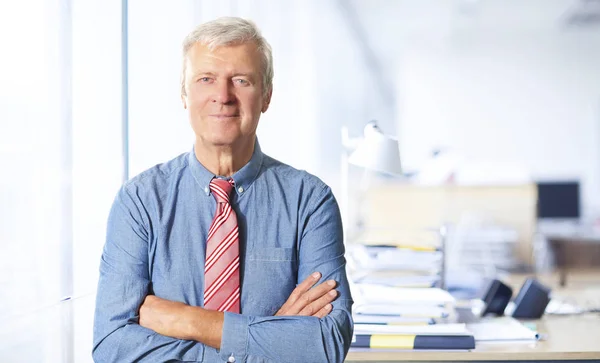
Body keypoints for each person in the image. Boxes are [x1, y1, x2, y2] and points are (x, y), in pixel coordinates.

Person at [92, 17, 353, 363]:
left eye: (241, 81)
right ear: (184, 94)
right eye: (206, 79)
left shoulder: (309, 201)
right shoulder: (139, 202)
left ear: (267, 96)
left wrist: (188, 321)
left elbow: (326, 344)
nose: (223, 96)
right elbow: (112, 346)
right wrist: (271, 332)